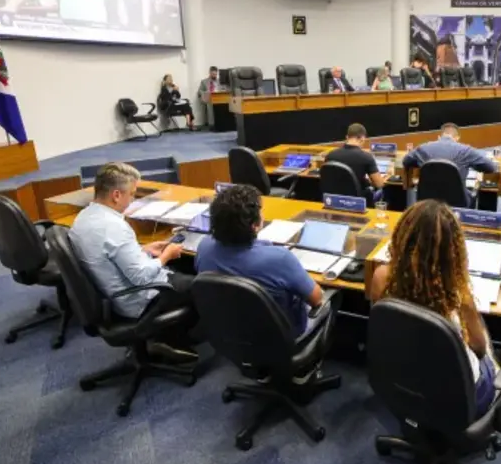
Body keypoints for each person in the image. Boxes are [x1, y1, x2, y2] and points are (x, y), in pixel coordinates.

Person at [367, 200, 497, 418]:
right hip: (460, 398)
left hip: (403, 381)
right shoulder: (457, 290)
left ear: (402, 236)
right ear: (452, 251)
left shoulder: (381, 276)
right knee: (484, 341)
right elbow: (479, 348)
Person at [68, 162, 195, 358]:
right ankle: (169, 339)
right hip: (139, 300)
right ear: (116, 195)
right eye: (132, 194)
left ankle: (166, 334)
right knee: (202, 283)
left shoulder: (84, 217)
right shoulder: (114, 227)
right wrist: (166, 256)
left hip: (109, 296)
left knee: (180, 266)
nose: (133, 199)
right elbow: (141, 277)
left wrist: (143, 250)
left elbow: (107, 253)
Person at [194, 184, 324, 338]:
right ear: (255, 226)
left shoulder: (204, 246)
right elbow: (317, 299)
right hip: (280, 339)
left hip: (229, 335)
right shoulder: (280, 258)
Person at [402, 123, 497, 205]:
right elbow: (491, 167)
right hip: (458, 202)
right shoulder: (466, 150)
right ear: (457, 138)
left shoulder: (423, 148)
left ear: (439, 137)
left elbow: (405, 161)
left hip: (427, 201)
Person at [324, 123, 386, 203]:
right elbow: (379, 184)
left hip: (333, 201)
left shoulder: (330, 155)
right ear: (362, 139)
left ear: (347, 137)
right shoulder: (366, 157)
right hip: (356, 202)